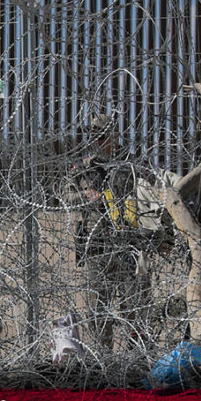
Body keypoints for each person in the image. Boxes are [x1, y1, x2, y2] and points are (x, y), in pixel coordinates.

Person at [67, 114, 155, 350]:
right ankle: (103, 358)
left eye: (104, 134)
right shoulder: (84, 167)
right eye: (95, 135)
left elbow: (151, 191)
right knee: (98, 309)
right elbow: (65, 194)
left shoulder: (133, 163)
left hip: (130, 243)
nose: (99, 139)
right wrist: (85, 196)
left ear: (115, 134)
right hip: (99, 246)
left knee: (135, 306)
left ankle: (136, 356)